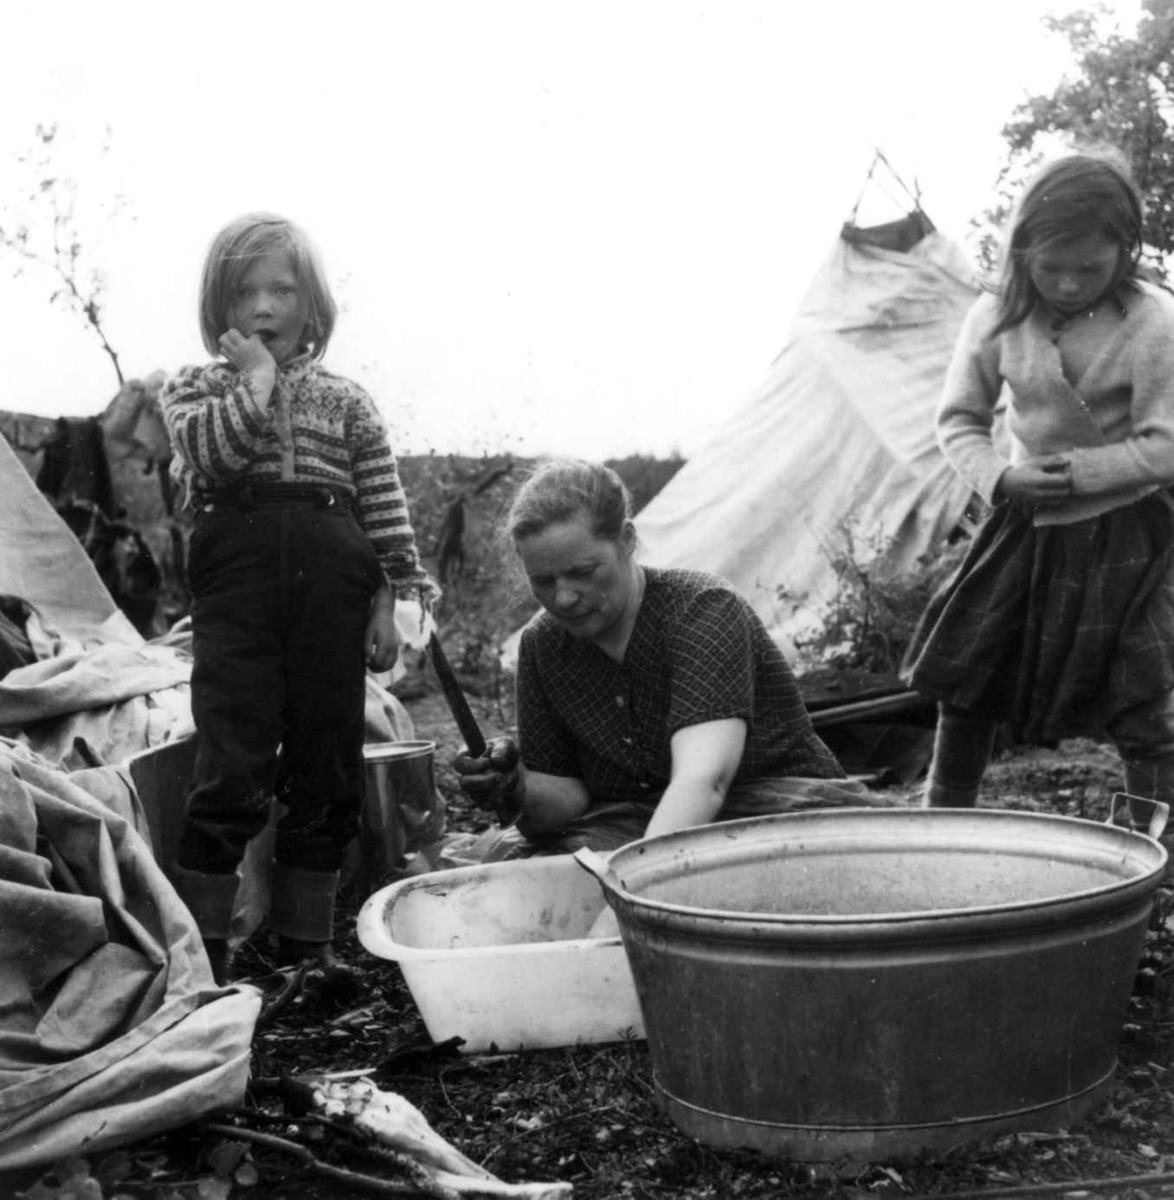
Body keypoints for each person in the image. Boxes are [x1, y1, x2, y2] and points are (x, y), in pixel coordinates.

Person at [161, 212, 437, 983]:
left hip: (330, 591)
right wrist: (256, 379)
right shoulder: (194, 393)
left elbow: (381, 507)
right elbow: (219, 454)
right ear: (220, 309)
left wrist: (389, 595)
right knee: (232, 758)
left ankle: (307, 952)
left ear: (312, 304)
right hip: (238, 592)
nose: (264, 306)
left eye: (282, 288)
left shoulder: (347, 402)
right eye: (244, 290)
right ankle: (208, 956)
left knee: (327, 761)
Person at [903, 150, 1174, 824]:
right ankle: (944, 817)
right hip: (1026, 525)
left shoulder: (1153, 321)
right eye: (1051, 268)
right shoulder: (995, 318)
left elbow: (1167, 442)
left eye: (1091, 268)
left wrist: (1081, 475)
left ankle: (1151, 845)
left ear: (1125, 249)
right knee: (968, 675)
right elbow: (960, 420)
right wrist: (1003, 477)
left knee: (1146, 692)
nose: (1070, 284)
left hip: (1129, 530)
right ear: (1022, 251)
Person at [453, 458, 873, 862]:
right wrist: (515, 786)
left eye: (583, 571)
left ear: (626, 540)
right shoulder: (543, 646)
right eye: (543, 581)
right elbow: (568, 799)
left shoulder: (703, 610)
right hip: (645, 825)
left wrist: (626, 899)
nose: (563, 597)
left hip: (781, 814)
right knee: (518, 879)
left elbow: (703, 781)